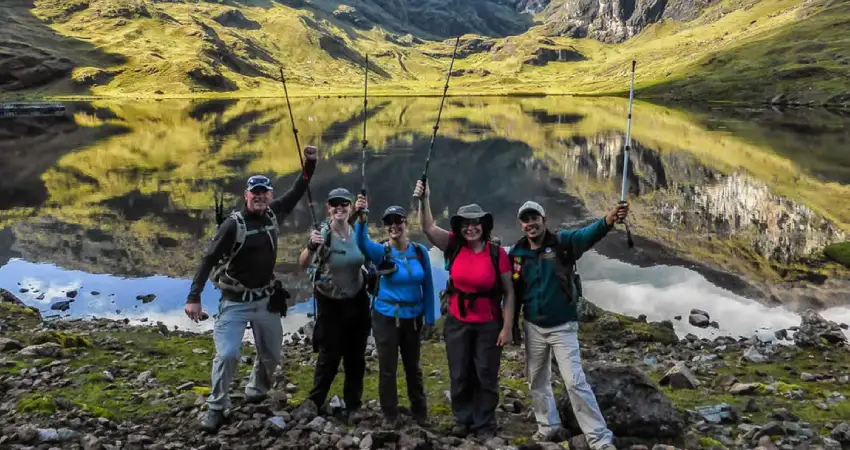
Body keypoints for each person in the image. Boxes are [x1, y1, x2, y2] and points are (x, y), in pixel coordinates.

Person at [184, 145, 319, 432]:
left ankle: (256, 391)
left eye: (264, 193)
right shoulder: (233, 226)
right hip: (234, 302)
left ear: (269, 195)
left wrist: (310, 163)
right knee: (229, 353)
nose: (259, 197)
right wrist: (194, 297)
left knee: (271, 353)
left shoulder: (274, 214)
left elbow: (298, 189)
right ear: (246, 196)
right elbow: (208, 259)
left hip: (266, 299)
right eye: (254, 193)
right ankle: (216, 408)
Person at [508, 200, 628, 450]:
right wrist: (512, 326)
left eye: (534, 218)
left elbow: (590, 234)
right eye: (525, 220)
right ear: (521, 224)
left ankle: (599, 438)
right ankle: (548, 427)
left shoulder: (564, 243)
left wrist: (609, 219)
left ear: (544, 219)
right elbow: (513, 291)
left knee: (574, 381)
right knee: (536, 379)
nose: (530, 224)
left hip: (563, 327)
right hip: (533, 327)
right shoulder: (517, 254)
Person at [413, 179, 515, 439]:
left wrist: (506, 327)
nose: (471, 228)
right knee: (459, 371)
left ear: (484, 226)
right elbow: (427, 227)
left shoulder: (496, 253)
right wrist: (425, 198)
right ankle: (462, 418)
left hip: (488, 322)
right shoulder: (453, 246)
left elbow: (509, 292)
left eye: (475, 223)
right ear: (459, 227)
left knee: (485, 373)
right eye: (465, 224)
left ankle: (484, 423)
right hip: (457, 320)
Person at [352, 195, 436, 429]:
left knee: (413, 367)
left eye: (398, 221)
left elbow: (428, 285)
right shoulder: (381, 252)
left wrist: (429, 318)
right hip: (386, 317)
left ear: (405, 223)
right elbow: (361, 242)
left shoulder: (420, 252)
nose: (393, 226)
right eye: (389, 222)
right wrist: (362, 215)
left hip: (413, 319)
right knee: (388, 368)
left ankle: (420, 411)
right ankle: (390, 414)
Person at [298, 187, 370, 417]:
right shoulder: (322, 233)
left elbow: (367, 255)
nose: (339, 208)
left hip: (357, 300)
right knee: (329, 355)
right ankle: (315, 400)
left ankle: (353, 404)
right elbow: (303, 262)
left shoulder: (358, 230)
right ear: (328, 208)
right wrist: (311, 246)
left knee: (356, 356)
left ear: (349, 207)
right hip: (331, 303)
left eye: (344, 204)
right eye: (334, 204)